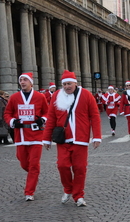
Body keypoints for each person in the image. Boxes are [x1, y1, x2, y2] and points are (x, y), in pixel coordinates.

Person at [43, 70, 101, 207]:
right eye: (64, 84)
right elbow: (51, 117)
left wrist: (97, 136)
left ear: (75, 83)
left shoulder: (86, 95)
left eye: (69, 83)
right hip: (63, 139)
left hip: (80, 139)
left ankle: (78, 195)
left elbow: (95, 116)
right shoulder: (57, 95)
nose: (67, 87)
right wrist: (46, 138)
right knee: (62, 166)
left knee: (80, 168)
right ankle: (68, 189)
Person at [4, 72, 48, 201]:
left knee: (34, 164)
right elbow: (7, 113)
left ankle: (29, 192)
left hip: (36, 135)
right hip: (21, 135)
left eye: (25, 80)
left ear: (31, 82)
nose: (22, 82)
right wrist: (12, 121)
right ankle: (34, 174)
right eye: (21, 80)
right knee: (23, 162)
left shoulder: (40, 97)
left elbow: (47, 112)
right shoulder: (14, 97)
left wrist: (43, 119)